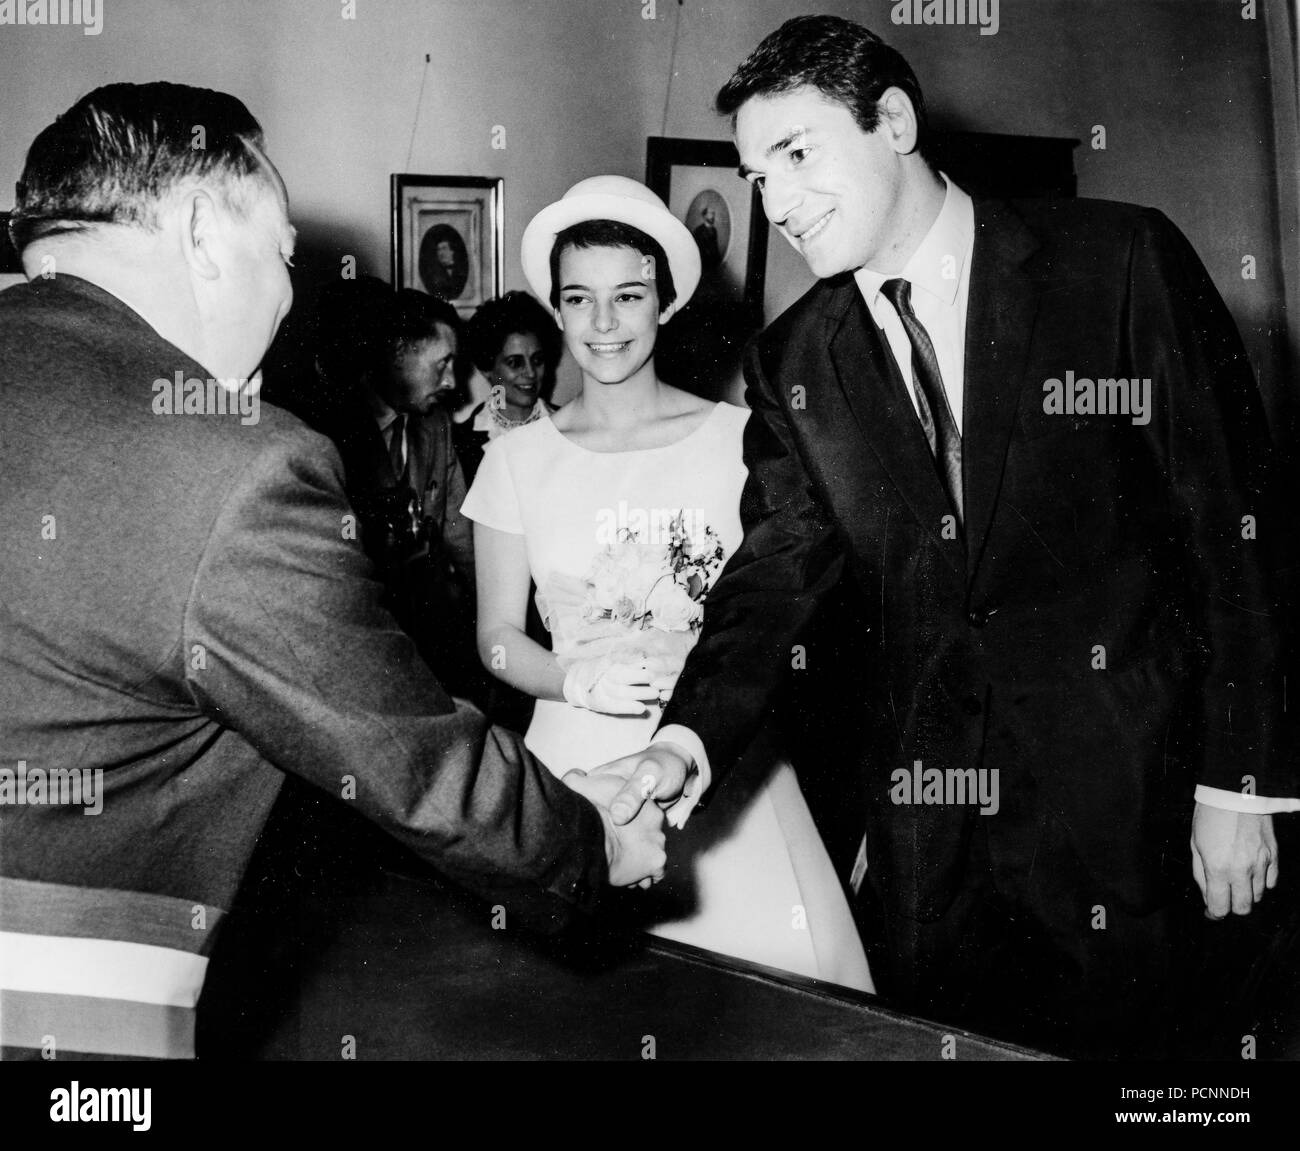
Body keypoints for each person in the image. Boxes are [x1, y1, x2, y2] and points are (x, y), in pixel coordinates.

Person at [596, 16, 1299, 1058]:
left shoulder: (1113, 262)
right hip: (935, 846)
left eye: (796, 154)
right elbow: (771, 579)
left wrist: (1238, 782)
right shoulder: (795, 360)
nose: (777, 203)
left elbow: (1236, 535)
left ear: (893, 121)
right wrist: (683, 737)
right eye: (755, 174)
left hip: (1135, 811)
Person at [0, 82, 665, 1061]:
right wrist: (594, 844)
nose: (286, 299)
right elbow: (410, 756)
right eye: (280, 256)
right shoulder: (232, 465)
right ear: (197, 229)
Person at [460, 175, 873, 991]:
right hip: (573, 771)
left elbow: (787, 613)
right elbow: (497, 640)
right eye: (579, 299)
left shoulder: (740, 440)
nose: (603, 324)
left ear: (668, 300)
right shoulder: (515, 458)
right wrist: (574, 678)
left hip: (727, 770)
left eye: (628, 295)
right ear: (557, 310)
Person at [456, 289, 562, 486]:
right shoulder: (459, 442)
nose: (530, 373)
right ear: (486, 367)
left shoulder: (570, 425)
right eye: (515, 363)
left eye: (537, 360)